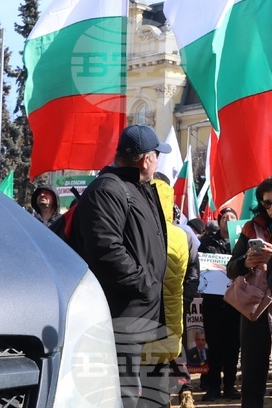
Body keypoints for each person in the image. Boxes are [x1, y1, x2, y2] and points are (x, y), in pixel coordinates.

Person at [69, 124, 169, 408]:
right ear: (146, 159)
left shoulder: (138, 188)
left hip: (147, 316)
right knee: (123, 395)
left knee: (153, 396)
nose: (157, 161)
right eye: (156, 155)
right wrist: (145, 286)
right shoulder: (107, 189)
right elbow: (105, 251)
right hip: (123, 315)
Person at [226, 175, 272, 408]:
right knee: (252, 366)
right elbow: (231, 268)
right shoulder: (251, 226)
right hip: (255, 305)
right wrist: (246, 262)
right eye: (266, 203)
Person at [150, 177, 201, 408]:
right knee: (166, 352)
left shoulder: (184, 234)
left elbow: (193, 271)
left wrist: (184, 296)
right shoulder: (182, 234)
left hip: (166, 304)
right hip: (165, 304)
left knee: (171, 353)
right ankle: (173, 394)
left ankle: (182, 391)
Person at [199, 208, 241, 401]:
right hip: (213, 304)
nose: (228, 220)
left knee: (233, 348)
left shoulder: (242, 243)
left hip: (236, 304)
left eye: (232, 217)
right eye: (225, 217)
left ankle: (230, 386)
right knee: (214, 347)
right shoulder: (207, 243)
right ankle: (213, 386)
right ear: (219, 221)